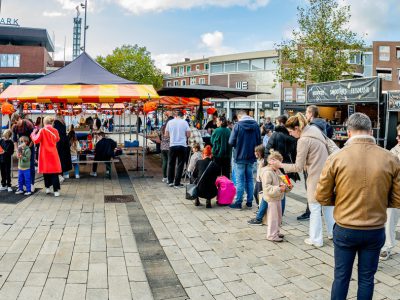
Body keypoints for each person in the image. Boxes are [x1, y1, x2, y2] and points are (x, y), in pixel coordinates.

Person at [315, 113, 400, 299]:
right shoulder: (390, 158)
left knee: (341, 277)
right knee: (367, 278)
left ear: (349, 132)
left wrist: (342, 201)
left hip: (345, 226)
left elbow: (321, 196)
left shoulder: (336, 157)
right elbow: (398, 199)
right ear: (371, 131)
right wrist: (378, 202)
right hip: (375, 228)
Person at [270, 113, 334, 247]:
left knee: (315, 207)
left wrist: (280, 165)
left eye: (291, 131)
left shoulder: (303, 140)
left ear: (297, 128)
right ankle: (333, 233)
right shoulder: (315, 130)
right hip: (327, 174)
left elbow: (297, 167)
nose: (291, 134)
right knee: (327, 206)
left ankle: (316, 239)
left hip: (315, 176)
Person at [229, 110, 261, 209]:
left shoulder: (238, 125)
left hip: (239, 157)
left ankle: (238, 202)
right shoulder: (256, 125)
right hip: (252, 156)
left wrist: (237, 145)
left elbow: (231, 142)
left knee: (240, 180)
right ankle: (249, 201)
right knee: (250, 179)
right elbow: (259, 141)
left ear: (239, 116)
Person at [380, 124, 400, 260]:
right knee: (389, 219)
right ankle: (386, 247)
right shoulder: (394, 150)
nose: (398, 138)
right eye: (398, 135)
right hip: (396, 191)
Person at [262, 151, 291, 242]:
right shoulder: (267, 173)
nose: (280, 164)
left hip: (278, 197)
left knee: (278, 217)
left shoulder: (277, 171)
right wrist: (279, 188)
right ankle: (271, 235)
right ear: (271, 161)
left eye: (280, 162)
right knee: (273, 218)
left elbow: (284, 181)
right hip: (272, 199)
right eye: (278, 162)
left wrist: (288, 186)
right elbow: (267, 188)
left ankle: (276, 232)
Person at [31, 116, 62, 197]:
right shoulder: (55, 130)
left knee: (46, 171)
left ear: (44, 123)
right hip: (53, 154)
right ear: (52, 122)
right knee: (54, 173)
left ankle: (47, 188)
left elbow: (36, 140)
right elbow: (57, 139)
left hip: (44, 154)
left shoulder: (42, 130)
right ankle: (56, 191)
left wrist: (33, 133)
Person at [11, 112, 36, 192]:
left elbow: (33, 137)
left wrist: (28, 147)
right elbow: (15, 140)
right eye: (14, 123)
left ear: (19, 118)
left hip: (29, 146)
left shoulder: (28, 124)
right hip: (21, 146)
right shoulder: (15, 127)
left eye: (16, 122)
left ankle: (31, 184)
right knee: (21, 165)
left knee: (30, 164)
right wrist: (17, 150)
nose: (16, 124)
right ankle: (23, 184)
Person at [165, 111, 191, 188]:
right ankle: (177, 183)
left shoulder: (170, 122)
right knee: (180, 164)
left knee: (171, 163)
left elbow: (166, 134)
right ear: (182, 116)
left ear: (176, 115)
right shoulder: (185, 122)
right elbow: (188, 134)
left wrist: (173, 136)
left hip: (172, 145)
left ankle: (170, 181)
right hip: (182, 145)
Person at [53, 115, 72, 179]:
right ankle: (62, 174)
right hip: (64, 141)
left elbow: (55, 132)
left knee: (58, 158)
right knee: (63, 158)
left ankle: (59, 174)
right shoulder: (63, 123)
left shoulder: (56, 122)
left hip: (59, 142)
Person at [160, 116, 173, 183]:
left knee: (165, 161)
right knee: (170, 162)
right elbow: (169, 138)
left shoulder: (162, 127)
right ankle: (169, 177)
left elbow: (161, 137)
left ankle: (164, 177)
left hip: (162, 146)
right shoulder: (170, 128)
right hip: (169, 147)